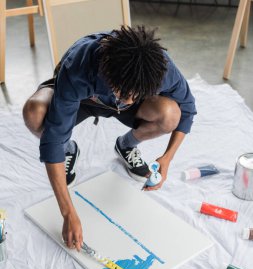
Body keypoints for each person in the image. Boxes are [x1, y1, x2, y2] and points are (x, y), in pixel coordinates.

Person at [23, 25, 196, 252]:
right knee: (34, 113)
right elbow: (52, 139)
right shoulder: (79, 66)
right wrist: (68, 213)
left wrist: (167, 158)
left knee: (170, 113)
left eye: (136, 94)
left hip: (116, 102)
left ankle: (126, 145)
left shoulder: (161, 68)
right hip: (82, 100)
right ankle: (70, 149)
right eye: (123, 91)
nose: (129, 99)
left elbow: (188, 109)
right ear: (106, 73)